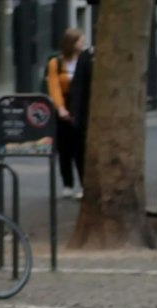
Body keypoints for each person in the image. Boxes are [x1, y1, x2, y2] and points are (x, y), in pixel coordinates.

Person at [44, 29, 93, 200]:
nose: (83, 44)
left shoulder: (86, 59)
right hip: (63, 108)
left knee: (81, 149)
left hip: (80, 109)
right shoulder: (56, 62)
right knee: (64, 149)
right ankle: (67, 184)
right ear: (71, 43)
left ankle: (83, 184)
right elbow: (54, 87)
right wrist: (60, 108)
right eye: (80, 41)